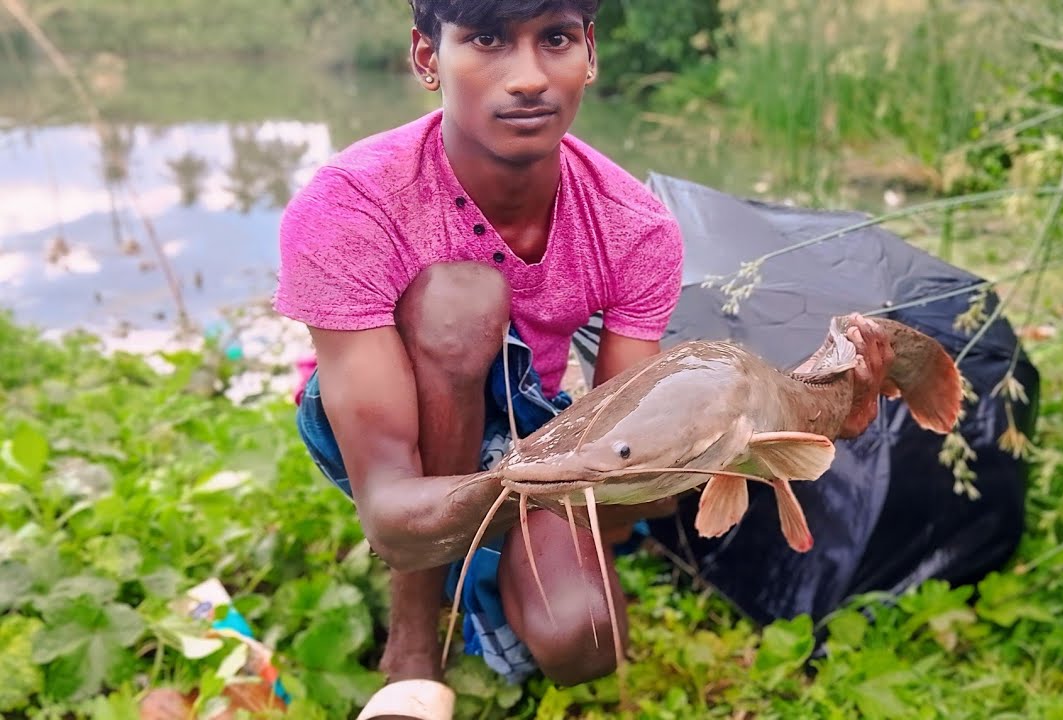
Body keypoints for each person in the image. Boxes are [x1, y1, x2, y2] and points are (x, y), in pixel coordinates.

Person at [273, 1, 895, 717]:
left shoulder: (636, 228)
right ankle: (413, 650)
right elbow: (389, 515)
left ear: (590, 55)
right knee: (461, 302)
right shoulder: (350, 203)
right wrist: (562, 481)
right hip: (398, 406)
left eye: (557, 40)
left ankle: (481, 556)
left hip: (537, 421)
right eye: (486, 40)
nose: (530, 77)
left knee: (585, 639)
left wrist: (808, 424)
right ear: (426, 57)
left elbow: (641, 476)